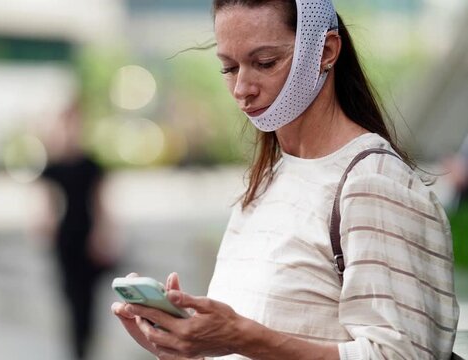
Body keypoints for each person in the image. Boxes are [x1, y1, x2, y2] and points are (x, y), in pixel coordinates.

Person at [111, 0, 459, 359]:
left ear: (325, 50)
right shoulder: (267, 179)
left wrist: (241, 337)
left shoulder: (373, 183)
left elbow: (402, 354)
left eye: (265, 63)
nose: (241, 88)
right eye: (228, 68)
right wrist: (185, 347)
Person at [40, 99, 117, 359]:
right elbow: (46, 207)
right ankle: (77, 351)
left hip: (88, 237)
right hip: (66, 239)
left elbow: (101, 205)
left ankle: (85, 350)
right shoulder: (52, 167)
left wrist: (103, 235)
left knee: (88, 302)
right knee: (70, 298)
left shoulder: (92, 165)